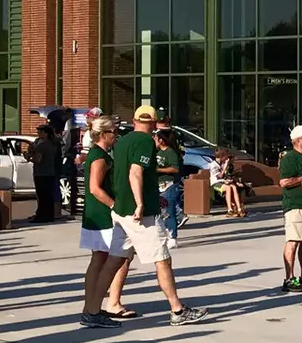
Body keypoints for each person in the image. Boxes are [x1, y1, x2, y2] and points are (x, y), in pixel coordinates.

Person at [111, 105, 207, 325]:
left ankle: (107, 304)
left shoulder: (122, 141)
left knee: (117, 258)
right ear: (154, 124)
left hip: (120, 209)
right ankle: (177, 310)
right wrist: (141, 203)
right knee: (162, 259)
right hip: (141, 214)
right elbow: (135, 172)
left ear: (134, 120)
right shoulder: (146, 142)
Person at [78, 116, 134, 328]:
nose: (116, 135)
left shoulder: (97, 154)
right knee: (105, 260)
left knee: (98, 260)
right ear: (102, 135)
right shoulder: (99, 157)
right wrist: (114, 206)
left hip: (95, 212)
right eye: (113, 132)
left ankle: (90, 307)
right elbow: (94, 188)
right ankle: (92, 309)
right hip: (101, 214)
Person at [277, 125, 302, 293]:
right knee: (293, 241)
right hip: (295, 205)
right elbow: (284, 182)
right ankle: (289, 277)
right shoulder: (290, 158)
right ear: (298, 140)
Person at [154, 128, 185, 247]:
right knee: (160, 213)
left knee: (169, 211)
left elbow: (175, 168)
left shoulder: (170, 152)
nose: (154, 140)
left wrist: (158, 170)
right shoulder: (156, 152)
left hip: (169, 184)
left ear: (161, 140)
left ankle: (173, 237)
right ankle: (163, 235)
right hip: (157, 185)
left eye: (156, 138)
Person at [29, 121, 64, 222]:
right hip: (50, 172)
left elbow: (38, 159)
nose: (38, 133)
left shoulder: (42, 146)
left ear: (46, 133)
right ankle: (49, 215)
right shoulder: (52, 144)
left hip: (41, 173)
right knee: (48, 195)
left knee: (42, 195)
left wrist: (29, 157)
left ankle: (41, 216)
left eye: (41, 131)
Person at [210, 147, 243, 217]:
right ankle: (229, 209)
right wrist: (225, 167)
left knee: (233, 186)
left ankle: (239, 208)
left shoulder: (223, 163)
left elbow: (226, 176)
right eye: (225, 156)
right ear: (221, 156)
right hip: (216, 183)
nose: (226, 158)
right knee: (228, 188)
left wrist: (231, 180)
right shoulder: (213, 165)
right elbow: (219, 176)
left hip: (223, 182)